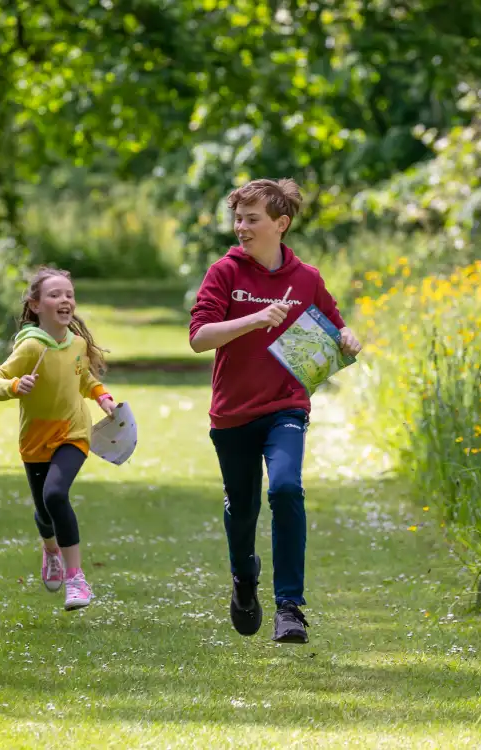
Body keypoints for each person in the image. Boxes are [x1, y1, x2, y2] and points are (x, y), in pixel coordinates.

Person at [189, 178, 362, 644]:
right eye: (238, 219)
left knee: (286, 488)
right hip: (232, 414)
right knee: (242, 510)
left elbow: (334, 324)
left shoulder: (306, 278)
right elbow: (199, 337)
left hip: (285, 406)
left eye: (252, 219)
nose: (241, 228)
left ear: (280, 224)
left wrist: (348, 337)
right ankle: (244, 580)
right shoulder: (224, 272)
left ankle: (291, 608)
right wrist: (252, 319)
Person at [0, 267, 117, 611]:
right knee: (44, 513)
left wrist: (101, 396)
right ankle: (51, 551)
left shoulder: (77, 344)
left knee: (56, 495)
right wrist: (15, 386)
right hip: (35, 440)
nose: (65, 301)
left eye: (69, 295)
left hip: (73, 432)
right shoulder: (29, 348)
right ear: (36, 304)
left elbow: (83, 377)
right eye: (55, 295)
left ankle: (77, 579)